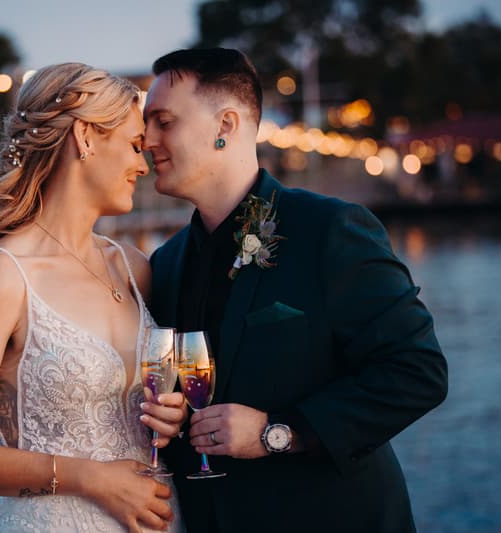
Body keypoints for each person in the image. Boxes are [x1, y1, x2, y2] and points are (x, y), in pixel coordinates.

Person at [144, 48, 448, 532]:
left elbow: (418, 372)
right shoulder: (165, 264)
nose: (147, 140)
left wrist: (276, 432)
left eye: (163, 121)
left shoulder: (329, 230)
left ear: (225, 125)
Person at [0, 62, 186, 533]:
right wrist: (90, 478)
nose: (143, 165)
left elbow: (143, 415)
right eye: (133, 145)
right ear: (84, 136)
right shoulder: (4, 275)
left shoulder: (133, 268)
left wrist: (172, 414)